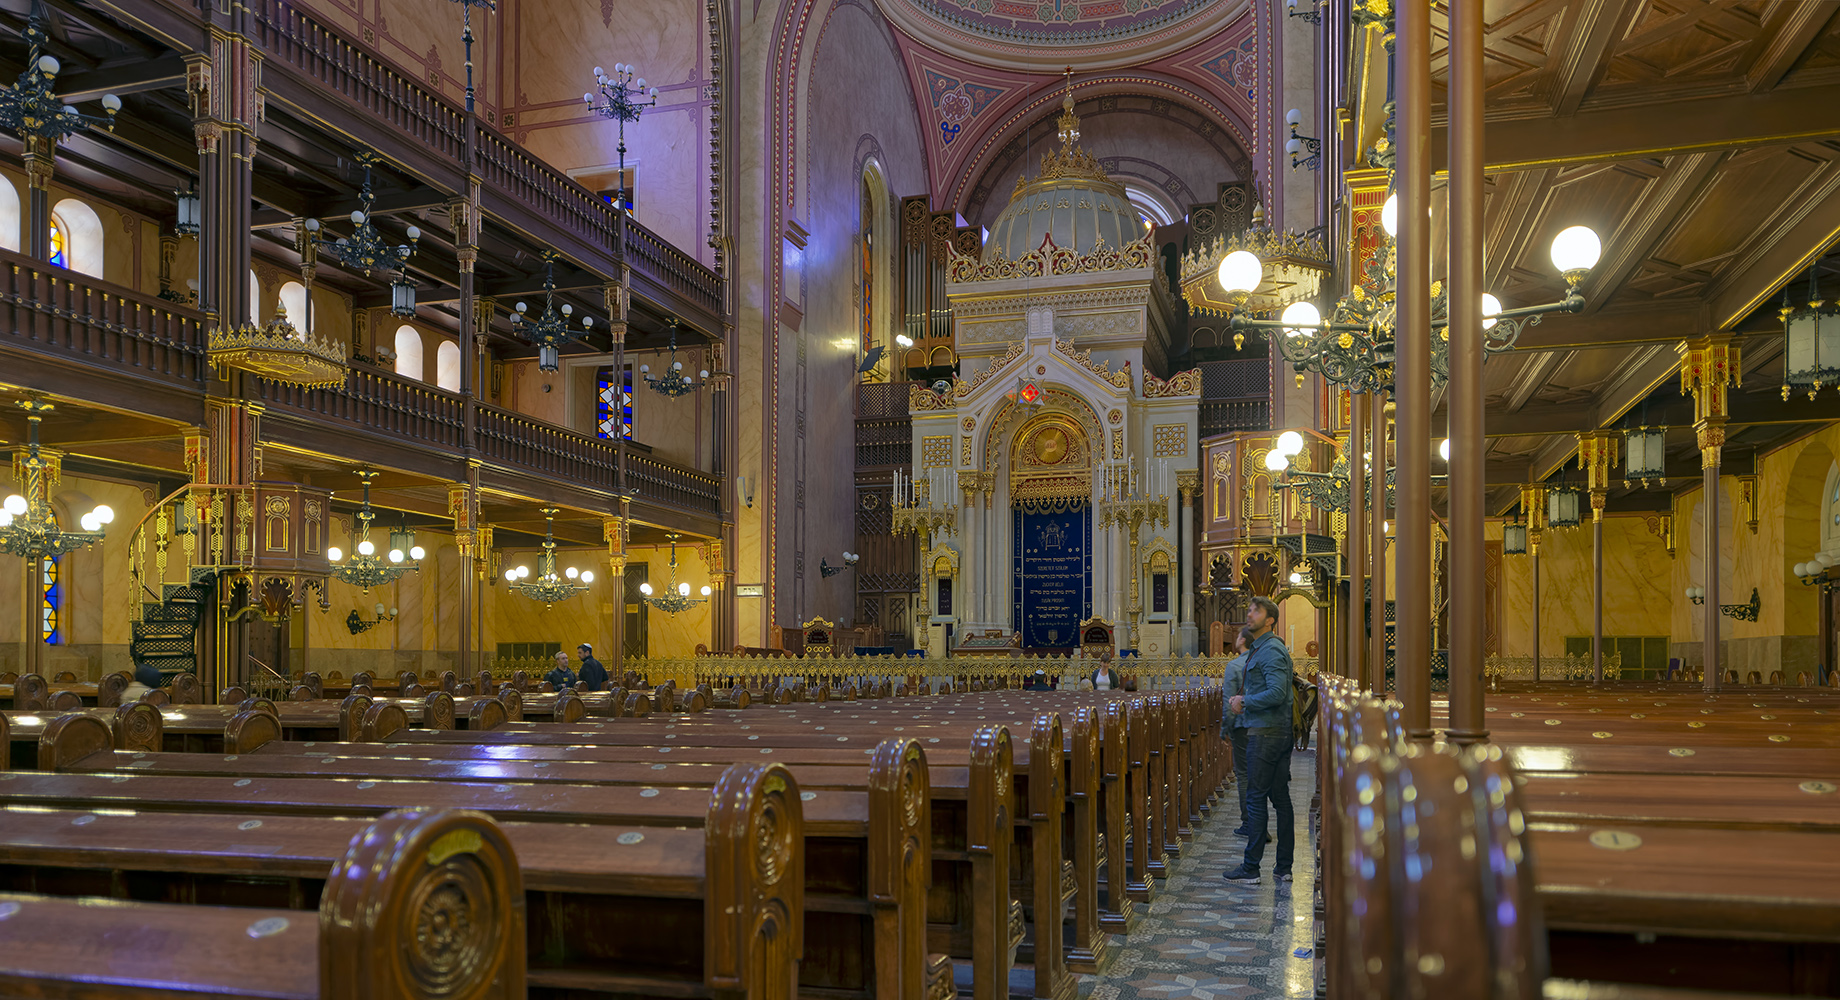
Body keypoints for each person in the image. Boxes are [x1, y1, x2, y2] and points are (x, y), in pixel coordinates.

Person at [1222, 595, 1295, 887]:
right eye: (1250, 608)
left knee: (1255, 798)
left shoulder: (1270, 651)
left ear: (1270, 620)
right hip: (1271, 731)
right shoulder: (1262, 647)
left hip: (1266, 734)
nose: (1249, 613)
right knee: (1279, 798)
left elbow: (1277, 693)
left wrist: (1244, 700)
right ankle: (1283, 868)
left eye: (1256, 610)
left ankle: (1251, 868)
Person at [1221, 625, 1257, 838]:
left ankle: (1249, 823)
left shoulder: (1235, 665)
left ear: (1242, 641)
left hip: (1241, 726)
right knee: (1258, 775)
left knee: (1243, 775)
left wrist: (1225, 726)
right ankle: (1260, 822)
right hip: (1261, 724)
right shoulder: (1261, 663)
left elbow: (1229, 700)